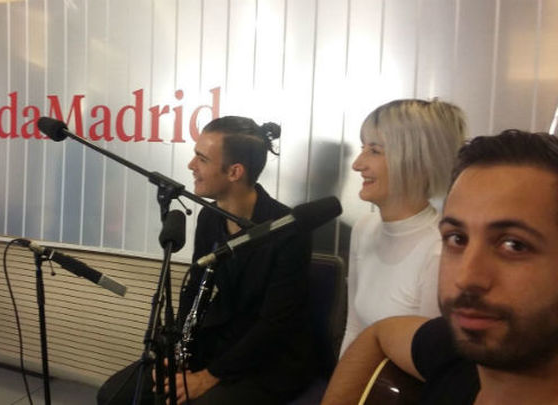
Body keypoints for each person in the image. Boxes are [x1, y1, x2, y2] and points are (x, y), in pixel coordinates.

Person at [322, 130, 558, 405]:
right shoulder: (451, 352)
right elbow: (378, 333)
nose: (466, 278)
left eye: (514, 245)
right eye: (457, 239)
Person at [97, 116, 316, 405]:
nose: (191, 165)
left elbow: (275, 323)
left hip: (268, 359)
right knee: (114, 396)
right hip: (217, 342)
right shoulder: (210, 216)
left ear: (234, 172)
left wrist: (209, 376)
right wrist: (174, 353)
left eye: (202, 159)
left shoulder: (287, 228)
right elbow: (195, 288)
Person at [340, 99, 467, 354]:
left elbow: (430, 360)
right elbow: (354, 329)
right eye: (363, 148)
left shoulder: (438, 252)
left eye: (374, 151)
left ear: (416, 161)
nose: (357, 164)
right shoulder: (364, 229)